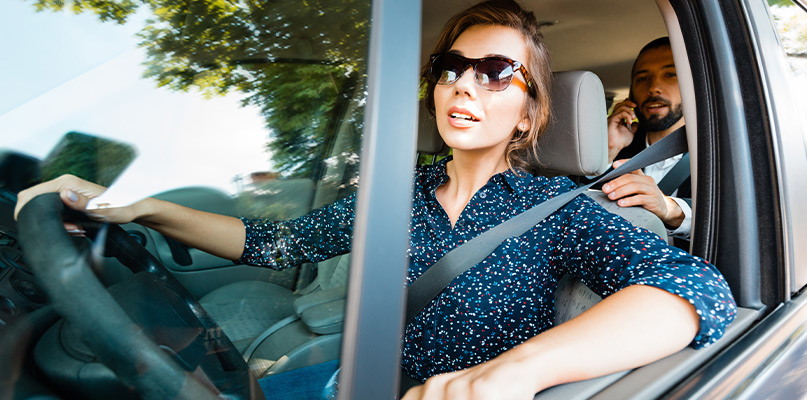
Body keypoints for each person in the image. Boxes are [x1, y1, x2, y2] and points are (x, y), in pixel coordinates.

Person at [14, 1, 736, 399]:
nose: (463, 83)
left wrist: (519, 372)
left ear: (528, 114)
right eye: (452, 67)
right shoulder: (398, 191)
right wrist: (141, 208)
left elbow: (696, 287)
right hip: (348, 378)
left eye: (495, 71)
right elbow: (276, 244)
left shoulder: (559, 208)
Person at [603, 37, 692, 250]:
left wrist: (671, 210)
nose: (653, 88)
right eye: (643, 79)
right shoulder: (621, 149)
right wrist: (607, 151)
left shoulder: (720, 151)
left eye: (670, 74)